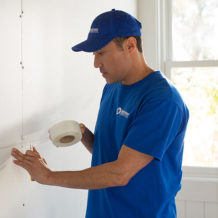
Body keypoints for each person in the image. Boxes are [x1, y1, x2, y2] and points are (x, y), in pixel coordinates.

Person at [11, 9, 189, 218]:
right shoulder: (113, 87)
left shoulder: (162, 100)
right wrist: (85, 137)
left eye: (101, 53)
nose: (95, 64)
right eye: (94, 54)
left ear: (131, 45)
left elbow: (121, 173)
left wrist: (48, 176)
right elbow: (113, 156)